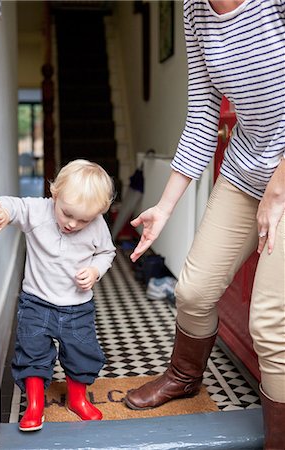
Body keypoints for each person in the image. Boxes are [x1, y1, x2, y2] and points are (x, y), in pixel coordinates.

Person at [124, 1, 285, 449]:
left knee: (271, 325)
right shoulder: (194, 9)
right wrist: (164, 206)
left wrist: (278, 188)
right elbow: (202, 114)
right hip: (244, 172)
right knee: (193, 291)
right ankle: (184, 376)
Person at [0, 159, 116, 432]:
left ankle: (78, 399)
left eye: (84, 219)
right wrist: (6, 214)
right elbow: (14, 205)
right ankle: (35, 405)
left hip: (77, 308)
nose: (73, 224)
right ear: (54, 194)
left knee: (82, 353)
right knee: (31, 352)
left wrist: (95, 270)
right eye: (67, 214)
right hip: (36, 303)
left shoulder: (96, 225)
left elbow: (107, 252)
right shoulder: (39, 211)